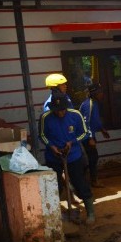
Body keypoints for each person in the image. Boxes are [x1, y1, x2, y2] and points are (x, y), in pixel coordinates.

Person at [39, 92, 95, 224]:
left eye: (62, 110)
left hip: (73, 155)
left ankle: (91, 212)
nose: (60, 113)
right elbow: (42, 135)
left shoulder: (76, 115)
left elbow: (85, 133)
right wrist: (51, 146)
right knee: (54, 186)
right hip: (53, 157)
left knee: (80, 183)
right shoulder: (45, 117)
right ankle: (55, 216)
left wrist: (72, 142)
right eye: (57, 111)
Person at [79, 83, 110, 188]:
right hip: (87, 136)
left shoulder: (94, 103)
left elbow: (95, 120)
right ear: (95, 93)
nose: (102, 94)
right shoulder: (89, 104)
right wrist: (90, 138)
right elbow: (86, 122)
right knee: (92, 157)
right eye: (100, 92)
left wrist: (102, 129)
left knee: (93, 157)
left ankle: (90, 179)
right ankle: (92, 181)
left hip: (90, 134)